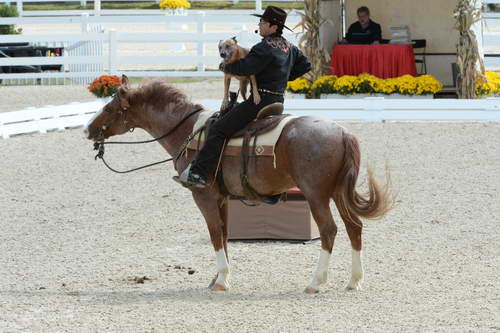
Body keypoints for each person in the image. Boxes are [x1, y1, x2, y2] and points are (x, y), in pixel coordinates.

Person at [174, 5, 311, 188]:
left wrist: (225, 67)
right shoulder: (290, 47)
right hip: (278, 101)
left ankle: (198, 173)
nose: (260, 24)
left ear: (273, 27)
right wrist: (284, 77)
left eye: (263, 22)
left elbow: (245, 68)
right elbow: (305, 65)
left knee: (219, 129)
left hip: (259, 102)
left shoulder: (263, 47)